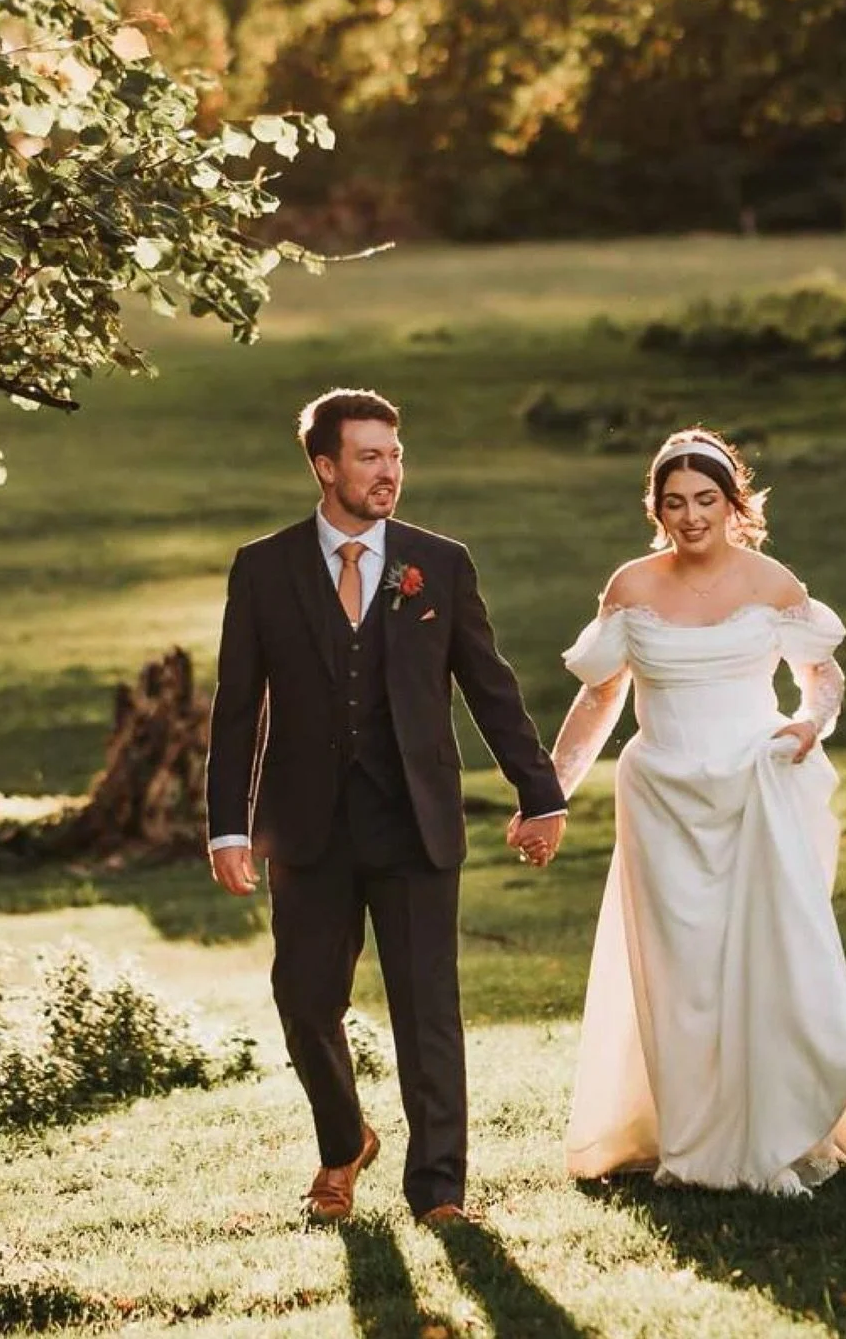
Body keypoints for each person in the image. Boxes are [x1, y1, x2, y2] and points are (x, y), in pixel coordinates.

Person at [205, 388, 567, 1224]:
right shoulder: (264, 567)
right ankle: (343, 1143)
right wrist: (230, 824)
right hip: (307, 829)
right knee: (303, 1000)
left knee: (426, 1012)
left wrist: (538, 792)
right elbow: (237, 706)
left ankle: (439, 1190)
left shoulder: (437, 563)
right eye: (369, 457)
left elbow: (490, 685)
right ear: (325, 467)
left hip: (414, 822)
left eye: (395, 455)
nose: (389, 472)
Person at [524, 426, 846, 1194]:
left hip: (752, 789)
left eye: (706, 500)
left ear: (732, 502)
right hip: (661, 800)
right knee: (679, 976)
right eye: (674, 502)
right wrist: (549, 795)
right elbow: (598, 697)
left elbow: (822, 677)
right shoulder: (633, 587)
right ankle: (687, 1138)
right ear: (656, 508)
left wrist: (809, 724)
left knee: (763, 959)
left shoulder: (771, 581)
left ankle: (771, 1130)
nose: (690, 517)